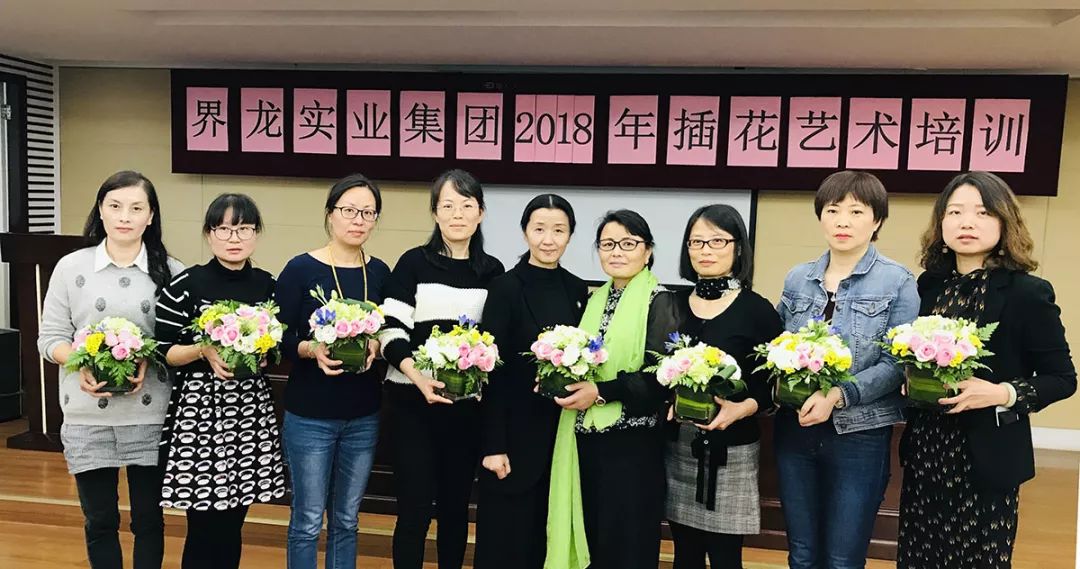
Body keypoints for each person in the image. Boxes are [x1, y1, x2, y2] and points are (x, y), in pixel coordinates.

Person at [897, 171, 1077, 569]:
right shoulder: (928, 287)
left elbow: (1063, 379)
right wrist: (909, 380)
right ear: (941, 222)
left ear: (1004, 221)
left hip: (987, 457)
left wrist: (1000, 393)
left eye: (982, 212)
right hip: (927, 452)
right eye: (955, 212)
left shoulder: (1028, 293)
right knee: (918, 558)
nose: (967, 222)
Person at [37, 170, 184, 569]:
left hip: (150, 413)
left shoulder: (171, 270)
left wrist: (147, 357)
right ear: (100, 210)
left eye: (136, 208)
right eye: (115, 206)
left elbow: (178, 343)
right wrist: (79, 361)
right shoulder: (70, 267)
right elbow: (50, 337)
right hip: (87, 414)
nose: (124, 216)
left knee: (149, 520)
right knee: (100, 520)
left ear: (150, 216)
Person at [774, 170, 919, 569]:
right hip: (796, 429)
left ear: (877, 220)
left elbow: (898, 363)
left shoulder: (898, 281)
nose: (843, 221)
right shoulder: (798, 278)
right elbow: (778, 347)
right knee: (802, 554)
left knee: (843, 558)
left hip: (859, 434)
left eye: (857, 211)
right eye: (833, 210)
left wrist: (838, 394)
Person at [378, 169, 505, 569]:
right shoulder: (413, 263)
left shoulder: (493, 271)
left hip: (466, 412)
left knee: (455, 509)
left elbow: (496, 341)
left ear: (481, 212)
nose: (457, 214)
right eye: (447, 206)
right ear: (435, 212)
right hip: (411, 406)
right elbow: (390, 329)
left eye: (466, 205)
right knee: (413, 510)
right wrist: (418, 377)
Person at [156, 193, 286, 569]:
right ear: (209, 234)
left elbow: (279, 343)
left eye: (244, 229)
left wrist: (266, 352)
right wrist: (203, 350)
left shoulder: (268, 286)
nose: (234, 238)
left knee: (233, 522)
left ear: (256, 234)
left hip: (248, 413)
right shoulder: (186, 284)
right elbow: (162, 350)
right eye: (224, 229)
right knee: (203, 523)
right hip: (200, 413)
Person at [546, 209, 676, 569]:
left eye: (628, 244)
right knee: (595, 537)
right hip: (586, 439)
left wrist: (600, 392)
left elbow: (659, 377)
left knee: (628, 543)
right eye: (607, 244)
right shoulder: (593, 300)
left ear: (647, 251)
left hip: (633, 445)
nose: (617, 252)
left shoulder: (660, 300)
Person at [275, 174, 391, 569]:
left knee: (347, 519)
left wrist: (378, 344)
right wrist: (310, 349)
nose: (358, 220)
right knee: (308, 520)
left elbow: (391, 329)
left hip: (363, 414)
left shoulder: (380, 272)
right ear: (330, 214)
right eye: (349, 210)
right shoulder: (300, 269)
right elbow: (278, 336)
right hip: (310, 415)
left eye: (368, 213)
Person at [664, 204, 783, 569]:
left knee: (725, 556)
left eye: (717, 240)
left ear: (738, 248)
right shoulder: (671, 304)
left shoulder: (757, 310)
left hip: (732, 449)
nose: (706, 250)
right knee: (684, 554)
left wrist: (743, 407)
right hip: (678, 445)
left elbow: (772, 382)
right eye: (696, 241)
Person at [474, 194, 588, 569]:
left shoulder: (576, 289)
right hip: (512, 437)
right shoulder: (505, 287)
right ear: (525, 232)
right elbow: (491, 370)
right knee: (505, 543)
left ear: (570, 235)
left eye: (559, 230)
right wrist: (493, 445)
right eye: (539, 229)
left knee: (546, 538)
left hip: (560, 434)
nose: (548, 240)